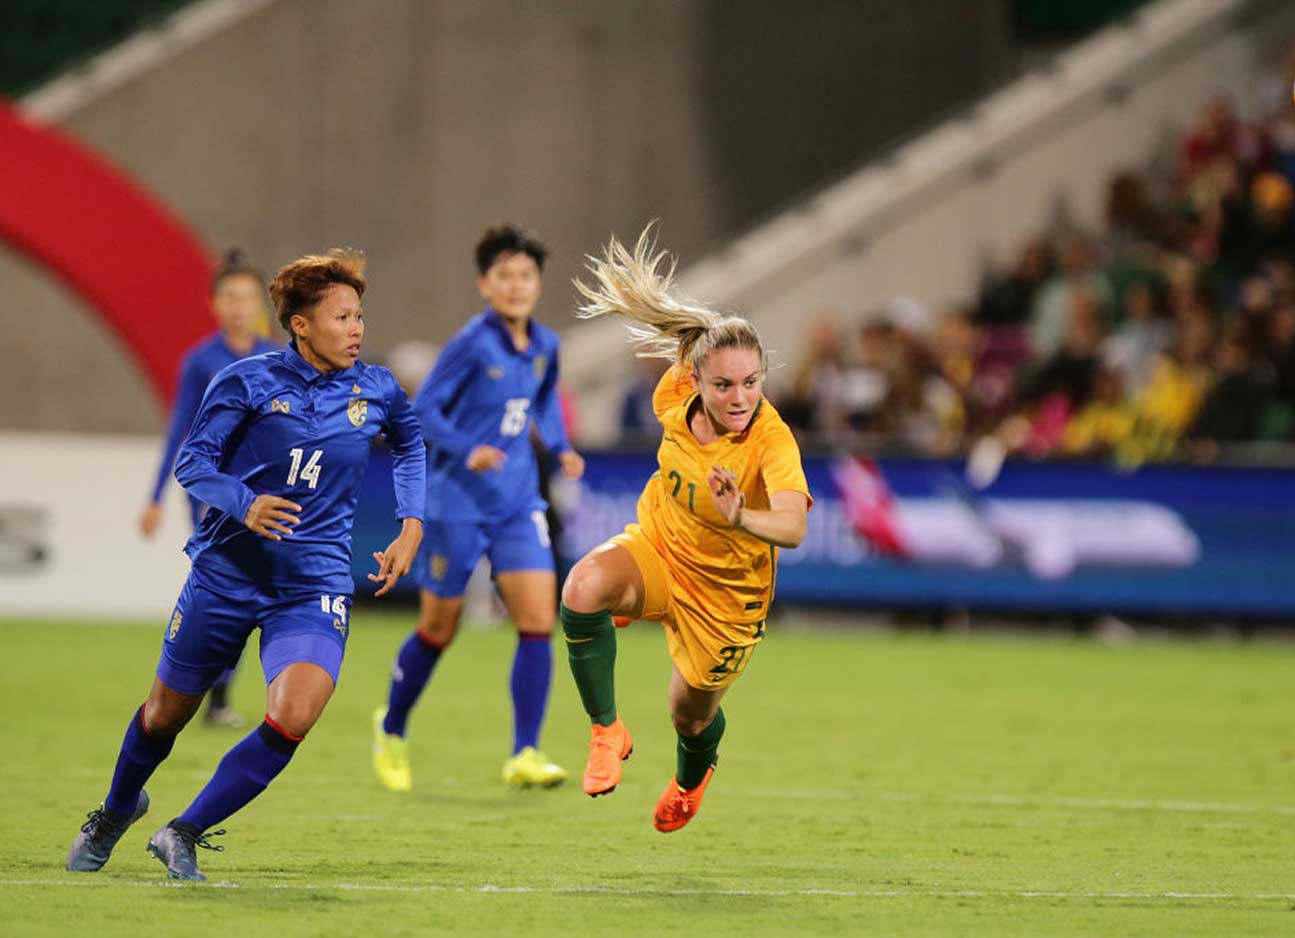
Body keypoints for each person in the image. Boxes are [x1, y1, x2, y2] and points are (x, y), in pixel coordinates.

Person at [66, 249, 425, 881]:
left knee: (295, 715)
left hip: (312, 584)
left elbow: (411, 442)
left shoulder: (376, 388)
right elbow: (194, 462)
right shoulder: (246, 380)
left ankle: (183, 831)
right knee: (163, 716)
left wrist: (411, 522)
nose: (357, 329)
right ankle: (117, 809)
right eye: (341, 317)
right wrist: (246, 502)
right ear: (301, 325)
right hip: (227, 577)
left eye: (359, 316)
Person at [560, 229, 811, 833]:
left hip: (726, 601)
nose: (740, 397)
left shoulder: (770, 439)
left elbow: (796, 526)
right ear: (695, 380)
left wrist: (742, 517)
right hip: (660, 548)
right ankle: (606, 731)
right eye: (724, 384)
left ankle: (692, 780)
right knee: (581, 588)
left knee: (688, 719)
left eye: (751, 383)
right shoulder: (673, 393)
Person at [372, 224, 584, 793]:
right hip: (456, 505)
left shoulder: (545, 345)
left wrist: (561, 449)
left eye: (526, 275)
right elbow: (423, 412)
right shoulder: (471, 343)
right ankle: (390, 726)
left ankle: (526, 752)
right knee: (440, 628)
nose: (517, 286)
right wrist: (470, 451)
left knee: (539, 622)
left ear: (538, 284)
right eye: (505, 276)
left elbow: (545, 402)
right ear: (484, 285)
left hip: (517, 504)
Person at [139, 250, 280, 728]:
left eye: (247, 297)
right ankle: (203, 690)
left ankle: (216, 692)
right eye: (230, 297)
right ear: (215, 304)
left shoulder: (275, 358)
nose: (239, 306)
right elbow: (180, 427)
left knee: (249, 589)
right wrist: (156, 495)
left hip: (259, 489)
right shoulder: (201, 361)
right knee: (219, 584)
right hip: (213, 491)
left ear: (260, 303)